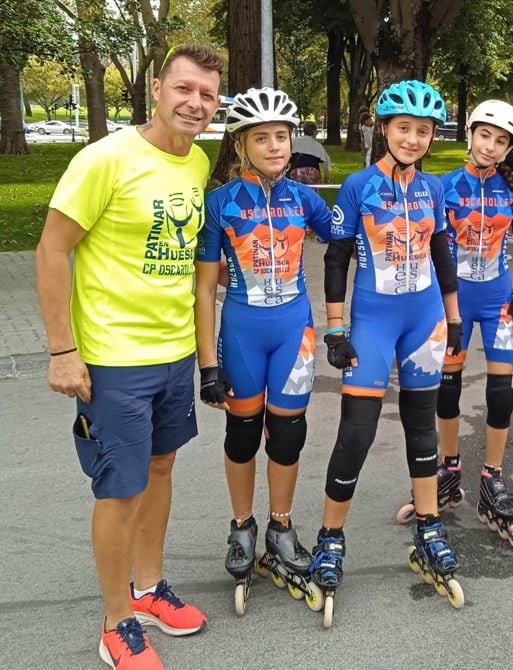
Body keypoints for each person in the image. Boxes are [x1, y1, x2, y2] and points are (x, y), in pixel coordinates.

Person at [34, 43, 223, 669]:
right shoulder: (106, 158)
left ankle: (148, 588)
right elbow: (51, 250)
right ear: (157, 90)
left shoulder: (196, 163)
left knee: (161, 469)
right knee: (121, 487)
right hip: (114, 359)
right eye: (185, 89)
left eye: (207, 95)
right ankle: (116, 620)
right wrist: (63, 349)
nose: (196, 103)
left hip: (172, 353)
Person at [310, 80, 465, 627]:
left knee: (423, 427)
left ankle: (428, 525)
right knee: (356, 433)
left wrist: (453, 317)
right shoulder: (357, 185)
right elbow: (337, 259)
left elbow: (442, 252)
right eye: (404, 128)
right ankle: (330, 537)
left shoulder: (435, 189)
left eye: (424, 131)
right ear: (385, 129)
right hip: (373, 322)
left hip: (424, 321)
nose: (415, 138)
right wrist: (335, 328)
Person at [194, 88, 332, 616]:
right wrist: (208, 363)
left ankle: (280, 525)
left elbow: (349, 238)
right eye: (262, 138)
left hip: (294, 330)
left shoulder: (303, 198)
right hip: (243, 329)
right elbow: (205, 290)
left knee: (289, 434)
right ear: (241, 143)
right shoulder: (221, 202)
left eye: (282, 136)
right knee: (243, 432)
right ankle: (241, 526)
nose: (275, 146)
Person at [429, 99, 513, 549]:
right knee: (448, 388)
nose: (491, 146)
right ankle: (449, 470)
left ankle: (492, 476)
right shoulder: (444, 184)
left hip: (497, 299)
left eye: (502, 140)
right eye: (485, 136)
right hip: (453, 301)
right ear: (469, 134)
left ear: (510, 147)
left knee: (501, 391)